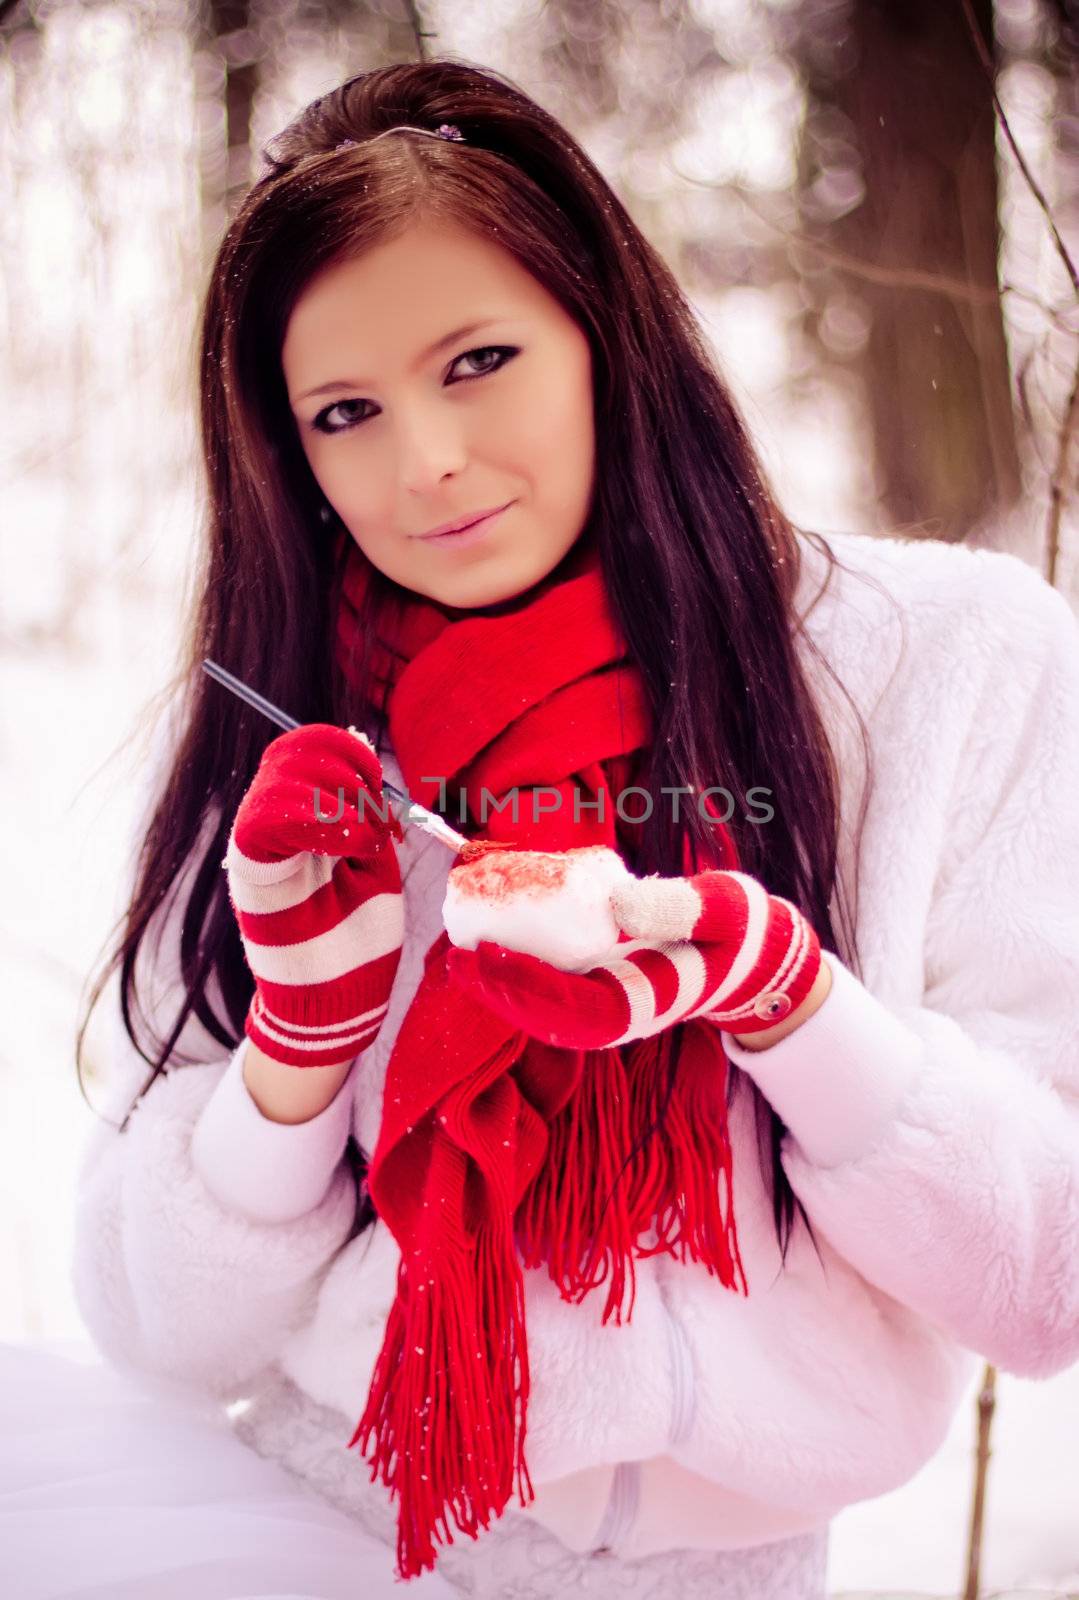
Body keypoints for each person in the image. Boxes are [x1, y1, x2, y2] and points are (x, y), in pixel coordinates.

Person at [4, 56, 1078, 1600]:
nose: (424, 461)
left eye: (479, 360)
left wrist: (789, 1004)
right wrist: (300, 1048)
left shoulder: (943, 668)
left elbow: (1048, 1283)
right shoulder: (302, 738)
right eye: (345, 410)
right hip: (318, 1538)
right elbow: (159, 1329)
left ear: (604, 335)